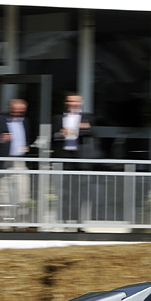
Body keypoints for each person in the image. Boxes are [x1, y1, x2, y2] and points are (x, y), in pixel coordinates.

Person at [0, 98, 35, 224]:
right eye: (15, 111)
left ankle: (20, 223)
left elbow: (29, 139)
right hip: (4, 163)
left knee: (23, 195)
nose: (17, 114)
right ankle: (5, 225)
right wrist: (0, 139)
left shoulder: (26, 121)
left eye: (20, 112)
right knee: (3, 197)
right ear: (9, 108)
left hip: (20, 162)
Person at [52, 93, 98, 223]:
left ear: (80, 102)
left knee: (81, 194)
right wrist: (60, 133)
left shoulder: (88, 117)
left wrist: (80, 129)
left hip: (81, 160)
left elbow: (93, 132)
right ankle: (65, 220)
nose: (72, 103)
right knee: (65, 193)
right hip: (64, 158)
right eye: (70, 101)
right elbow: (52, 136)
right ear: (66, 103)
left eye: (75, 101)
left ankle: (80, 222)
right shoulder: (57, 118)